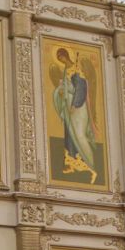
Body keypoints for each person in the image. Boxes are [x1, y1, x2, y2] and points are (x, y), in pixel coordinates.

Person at [51, 48, 97, 182]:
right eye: (59, 59)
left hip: (78, 108)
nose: (61, 60)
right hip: (68, 108)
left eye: (62, 57)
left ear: (66, 56)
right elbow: (68, 88)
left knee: (80, 135)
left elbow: (81, 88)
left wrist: (75, 104)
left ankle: (90, 165)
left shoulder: (77, 69)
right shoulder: (65, 71)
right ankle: (71, 163)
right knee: (70, 135)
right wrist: (61, 90)